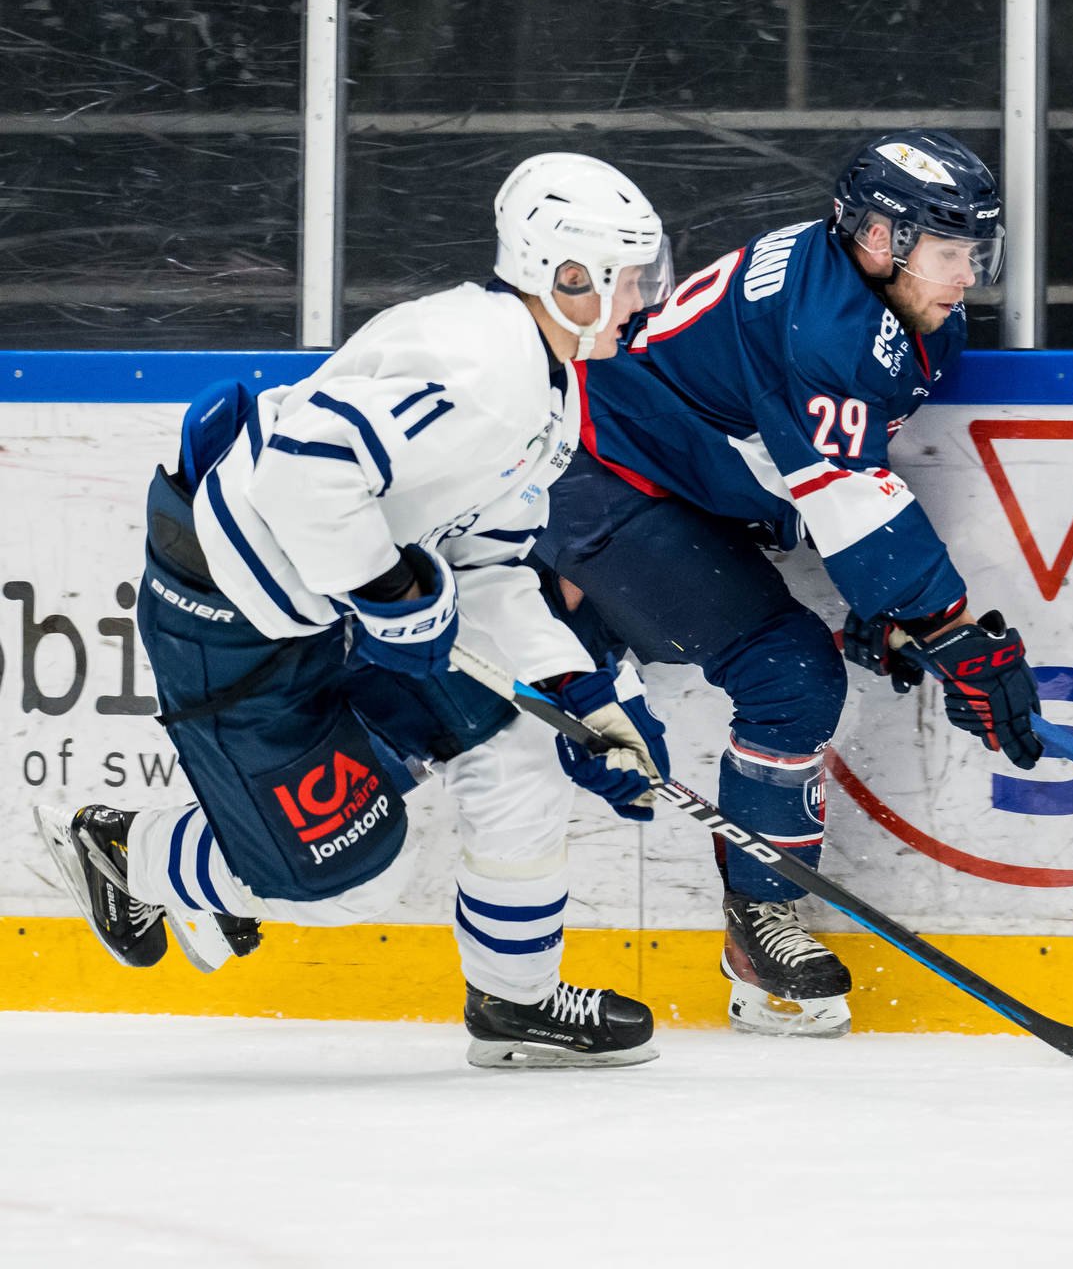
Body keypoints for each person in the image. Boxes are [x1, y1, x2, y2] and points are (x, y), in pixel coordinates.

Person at [35, 152, 678, 1069]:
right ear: (563, 275)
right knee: (344, 876)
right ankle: (129, 849)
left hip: (328, 600)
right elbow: (308, 464)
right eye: (628, 278)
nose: (642, 299)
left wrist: (580, 689)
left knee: (522, 747)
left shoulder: (549, 386)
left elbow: (486, 564)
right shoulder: (483, 362)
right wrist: (391, 595)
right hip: (231, 613)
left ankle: (516, 1003)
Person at [536, 130, 1043, 1039]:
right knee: (788, 675)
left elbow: (807, 462)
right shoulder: (834, 326)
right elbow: (842, 489)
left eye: (975, 253)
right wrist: (947, 627)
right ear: (880, 241)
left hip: (675, 482)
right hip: (609, 479)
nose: (967, 276)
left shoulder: (877, 302)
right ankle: (758, 932)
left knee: (500, 698)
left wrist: (888, 611)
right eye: (948, 253)